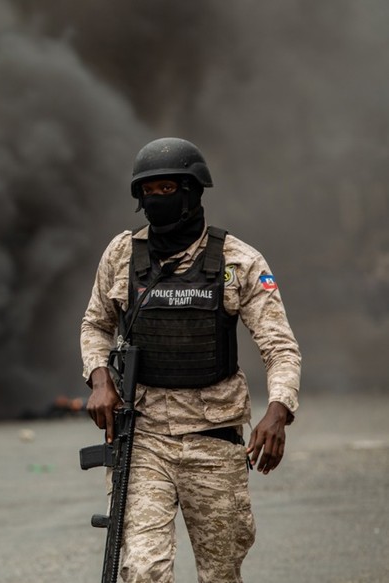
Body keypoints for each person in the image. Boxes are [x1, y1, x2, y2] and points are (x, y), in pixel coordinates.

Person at [80, 137, 301, 583]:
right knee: (143, 570)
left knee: (221, 572)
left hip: (213, 439)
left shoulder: (239, 262)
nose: (157, 199)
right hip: (142, 437)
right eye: (149, 191)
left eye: (168, 189)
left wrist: (279, 410)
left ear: (194, 191)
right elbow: (95, 325)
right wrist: (100, 378)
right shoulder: (122, 255)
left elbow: (280, 347)